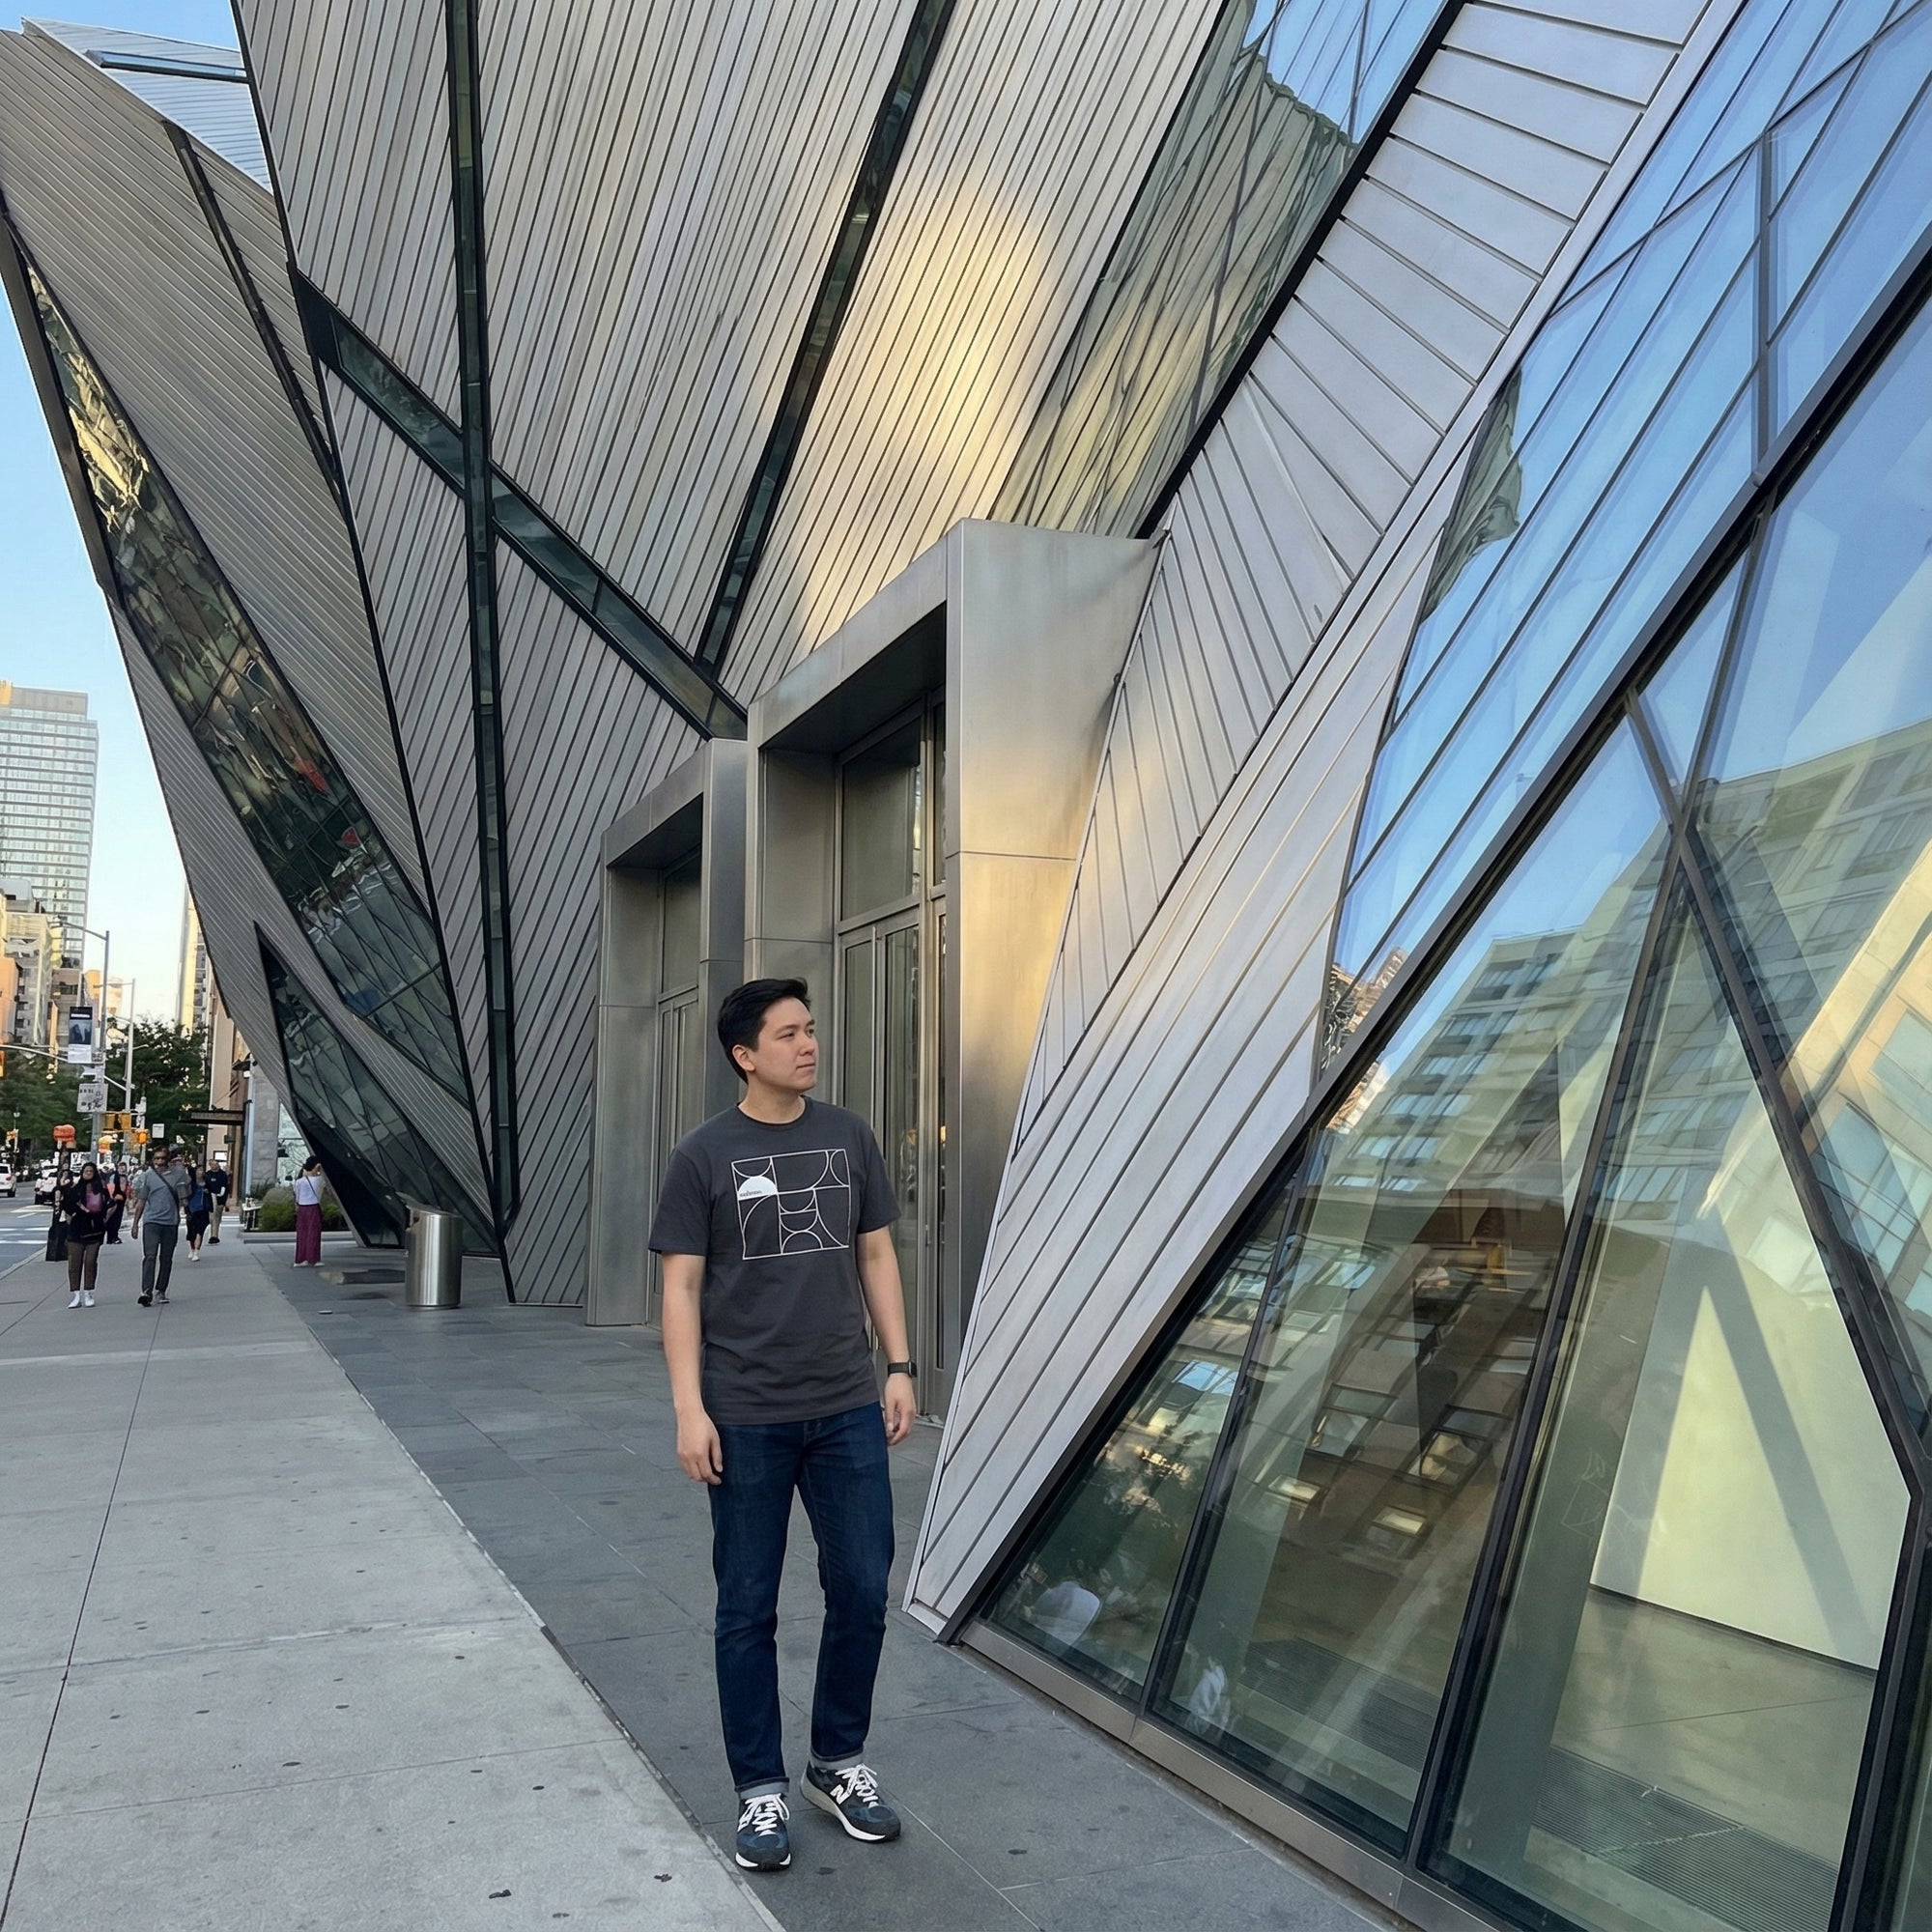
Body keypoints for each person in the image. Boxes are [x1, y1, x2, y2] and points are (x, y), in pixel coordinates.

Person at [649, 978, 916, 1875]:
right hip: (747, 1414)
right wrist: (690, 1410)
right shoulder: (703, 1155)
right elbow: (680, 1287)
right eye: (790, 1034)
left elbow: (873, 1250)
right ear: (744, 1054)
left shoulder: (848, 1136)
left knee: (863, 1589)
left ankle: (836, 1763)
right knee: (746, 1608)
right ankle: (758, 1787)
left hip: (844, 1403)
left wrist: (900, 1365)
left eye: (811, 1029)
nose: (809, 1045)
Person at [129, 1144, 189, 1306]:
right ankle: (146, 1291)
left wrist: (185, 1202)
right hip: (151, 1222)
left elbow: (185, 1197)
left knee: (166, 1258)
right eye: (157, 1158)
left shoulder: (179, 1174)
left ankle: (160, 1290)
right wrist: (135, 1224)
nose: (160, 1161)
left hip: (170, 1222)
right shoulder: (147, 1177)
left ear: (168, 1159)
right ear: (152, 1159)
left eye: (163, 1158)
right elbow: (141, 1202)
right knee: (150, 1256)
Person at [61, 1158, 110, 1308]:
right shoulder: (76, 1188)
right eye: (85, 1171)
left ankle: (89, 1291)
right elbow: (67, 1205)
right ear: (82, 1173)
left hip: (95, 1230)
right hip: (76, 1230)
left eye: (91, 1171)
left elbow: (110, 1204)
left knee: (90, 1261)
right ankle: (76, 1294)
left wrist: (103, 1219)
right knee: (74, 1263)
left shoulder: (101, 1188)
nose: (88, 1173)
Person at [293, 1157, 325, 1265]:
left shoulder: (299, 1182)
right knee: (314, 1233)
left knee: (302, 1233)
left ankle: (300, 1259)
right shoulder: (319, 1180)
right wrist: (319, 1169)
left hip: (302, 1208)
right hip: (313, 1207)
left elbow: (297, 1196)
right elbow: (323, 1186)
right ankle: (313, 1258)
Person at [184, 1160, 212, 1261]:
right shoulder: (191, 1183)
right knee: (192, 1232)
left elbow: (213, 1189)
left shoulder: (206, 1182)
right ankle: (191, 1249)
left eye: (202, 1170)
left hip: (203, 1209)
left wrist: (208, 1192)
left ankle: (196, 1251)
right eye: (199, 1170)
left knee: (200, 1231)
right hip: (192, 1209)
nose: (201, 1172)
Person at [205, 1158, 230, 1243]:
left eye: (216, 1164)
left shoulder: (222, 1174)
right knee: (212, 1217)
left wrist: (222, 1195)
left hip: (220, 1198)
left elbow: (225, 1186)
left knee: (217, 1217)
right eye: (212, 1164)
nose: (214, 1166)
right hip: (210, 1198)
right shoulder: (208, 1174)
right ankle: (213, 1235)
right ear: (210, 1165)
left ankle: (215, 1235)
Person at [102, 1164, 127, 1245]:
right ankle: (113, 1237)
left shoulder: (122, 1176)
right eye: (121, 1167)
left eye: (124, 1167)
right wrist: (113, 1197)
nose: (122, 1169)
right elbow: (111, 1187)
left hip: (118, 1199)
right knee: (114, 1219)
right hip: (115, 1199)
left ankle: (111, 1237)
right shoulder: (115, 1176)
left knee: (114, 1219)